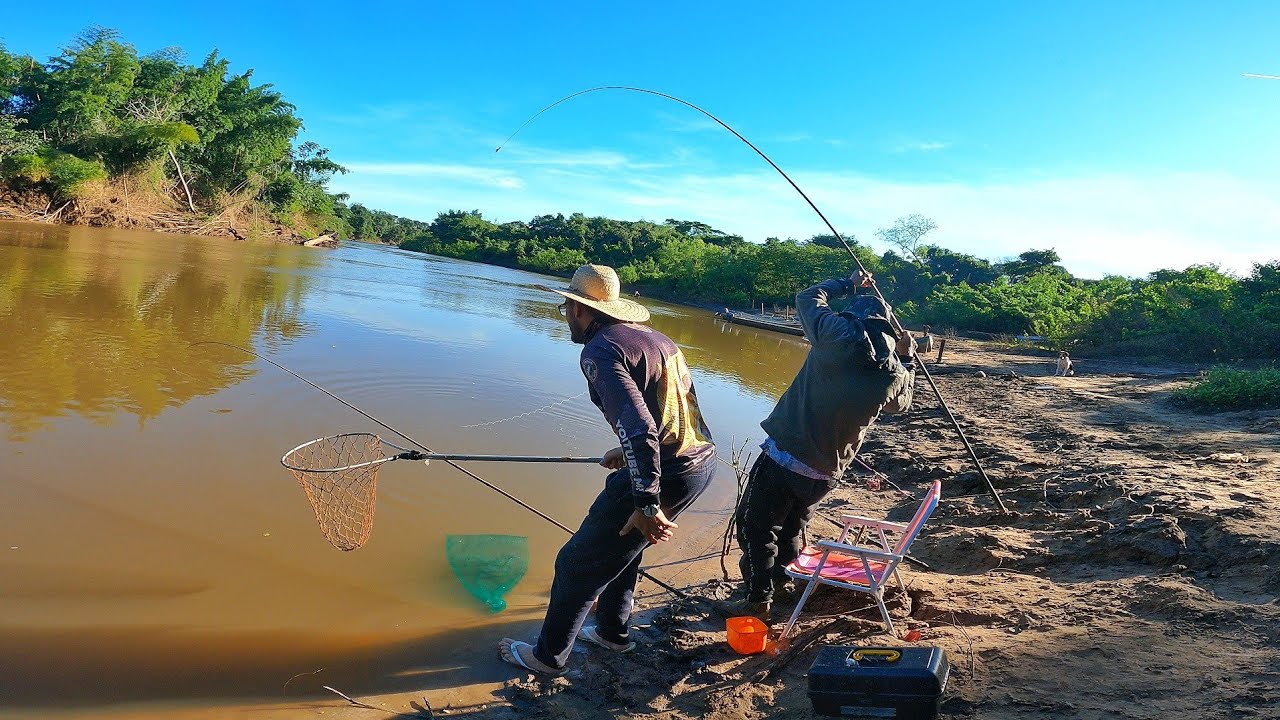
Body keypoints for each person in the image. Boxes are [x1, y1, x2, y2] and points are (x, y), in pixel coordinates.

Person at [499, 264, 717, 675]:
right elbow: (677, 412)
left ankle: (547, 658)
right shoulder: (656, 339)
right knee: (623, 550)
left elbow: (640, 428)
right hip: (699, 463)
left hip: (665, 473)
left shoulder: (599, 350)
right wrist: (628, 449)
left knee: (576, 564)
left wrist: (647, 502)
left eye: (567, 307)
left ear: (582, 312)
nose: (565, 314)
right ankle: (612, 633)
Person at [734, 271, 917, 620]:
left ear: (855, 316)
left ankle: (759, 600)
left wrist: (847, 284)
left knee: (756, 529)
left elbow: (807, 298)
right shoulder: (893, 372)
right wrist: (907, 359)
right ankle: (782, 581)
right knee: (790, 527)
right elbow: (901, 404)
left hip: (784, 456)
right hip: (825, 471)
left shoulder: (836, 334)